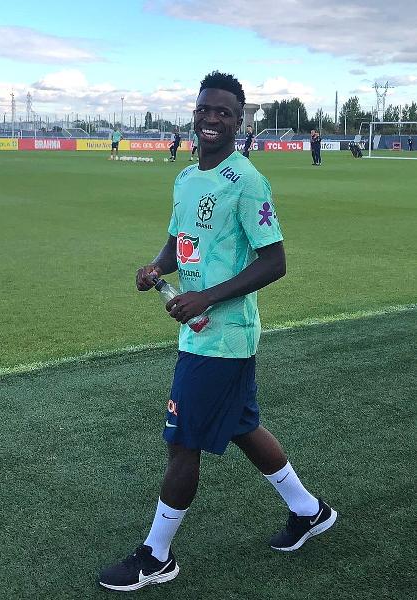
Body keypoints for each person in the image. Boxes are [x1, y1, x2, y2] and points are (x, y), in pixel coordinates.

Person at [99, 71, 337, 592]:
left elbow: (275, 261)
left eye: (225, 113)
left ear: (238, 121)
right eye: (206, 109)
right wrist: (157, 268)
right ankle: (309, 510)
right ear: (195, 114)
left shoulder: (247, 181)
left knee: (182, 441)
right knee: (240, 426)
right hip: (197, 330)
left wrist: (207, 296)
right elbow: (176, 238)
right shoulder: (186, 178)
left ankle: (156, 555)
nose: (212, 119)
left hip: (224, 337)